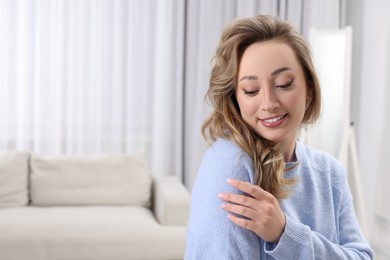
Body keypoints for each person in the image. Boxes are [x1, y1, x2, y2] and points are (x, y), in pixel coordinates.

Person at [184, 15, 373, 259]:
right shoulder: (231, 166)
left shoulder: (329, 172)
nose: (270, 103)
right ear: (235, 99)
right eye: (251, 90)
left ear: (309, 88)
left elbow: (363, 256)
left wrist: (286, 234)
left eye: (284, 84)